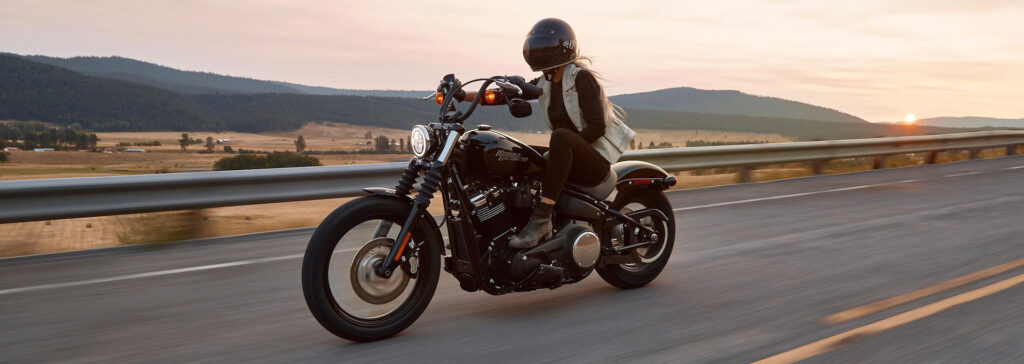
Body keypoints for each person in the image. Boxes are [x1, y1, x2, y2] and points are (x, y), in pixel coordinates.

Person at [462, 18, 635, 249]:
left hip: (594, 162)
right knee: (523, 155)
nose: (538, 51)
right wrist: (461, 95)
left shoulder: (580, 78)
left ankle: (541, 220)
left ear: (563, 47)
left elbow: (597, 127)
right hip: (571, 155)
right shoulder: (546, 81)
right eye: (535, 46)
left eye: (544, 46)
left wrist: (568, 150)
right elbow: (499, 97)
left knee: (560, 137)